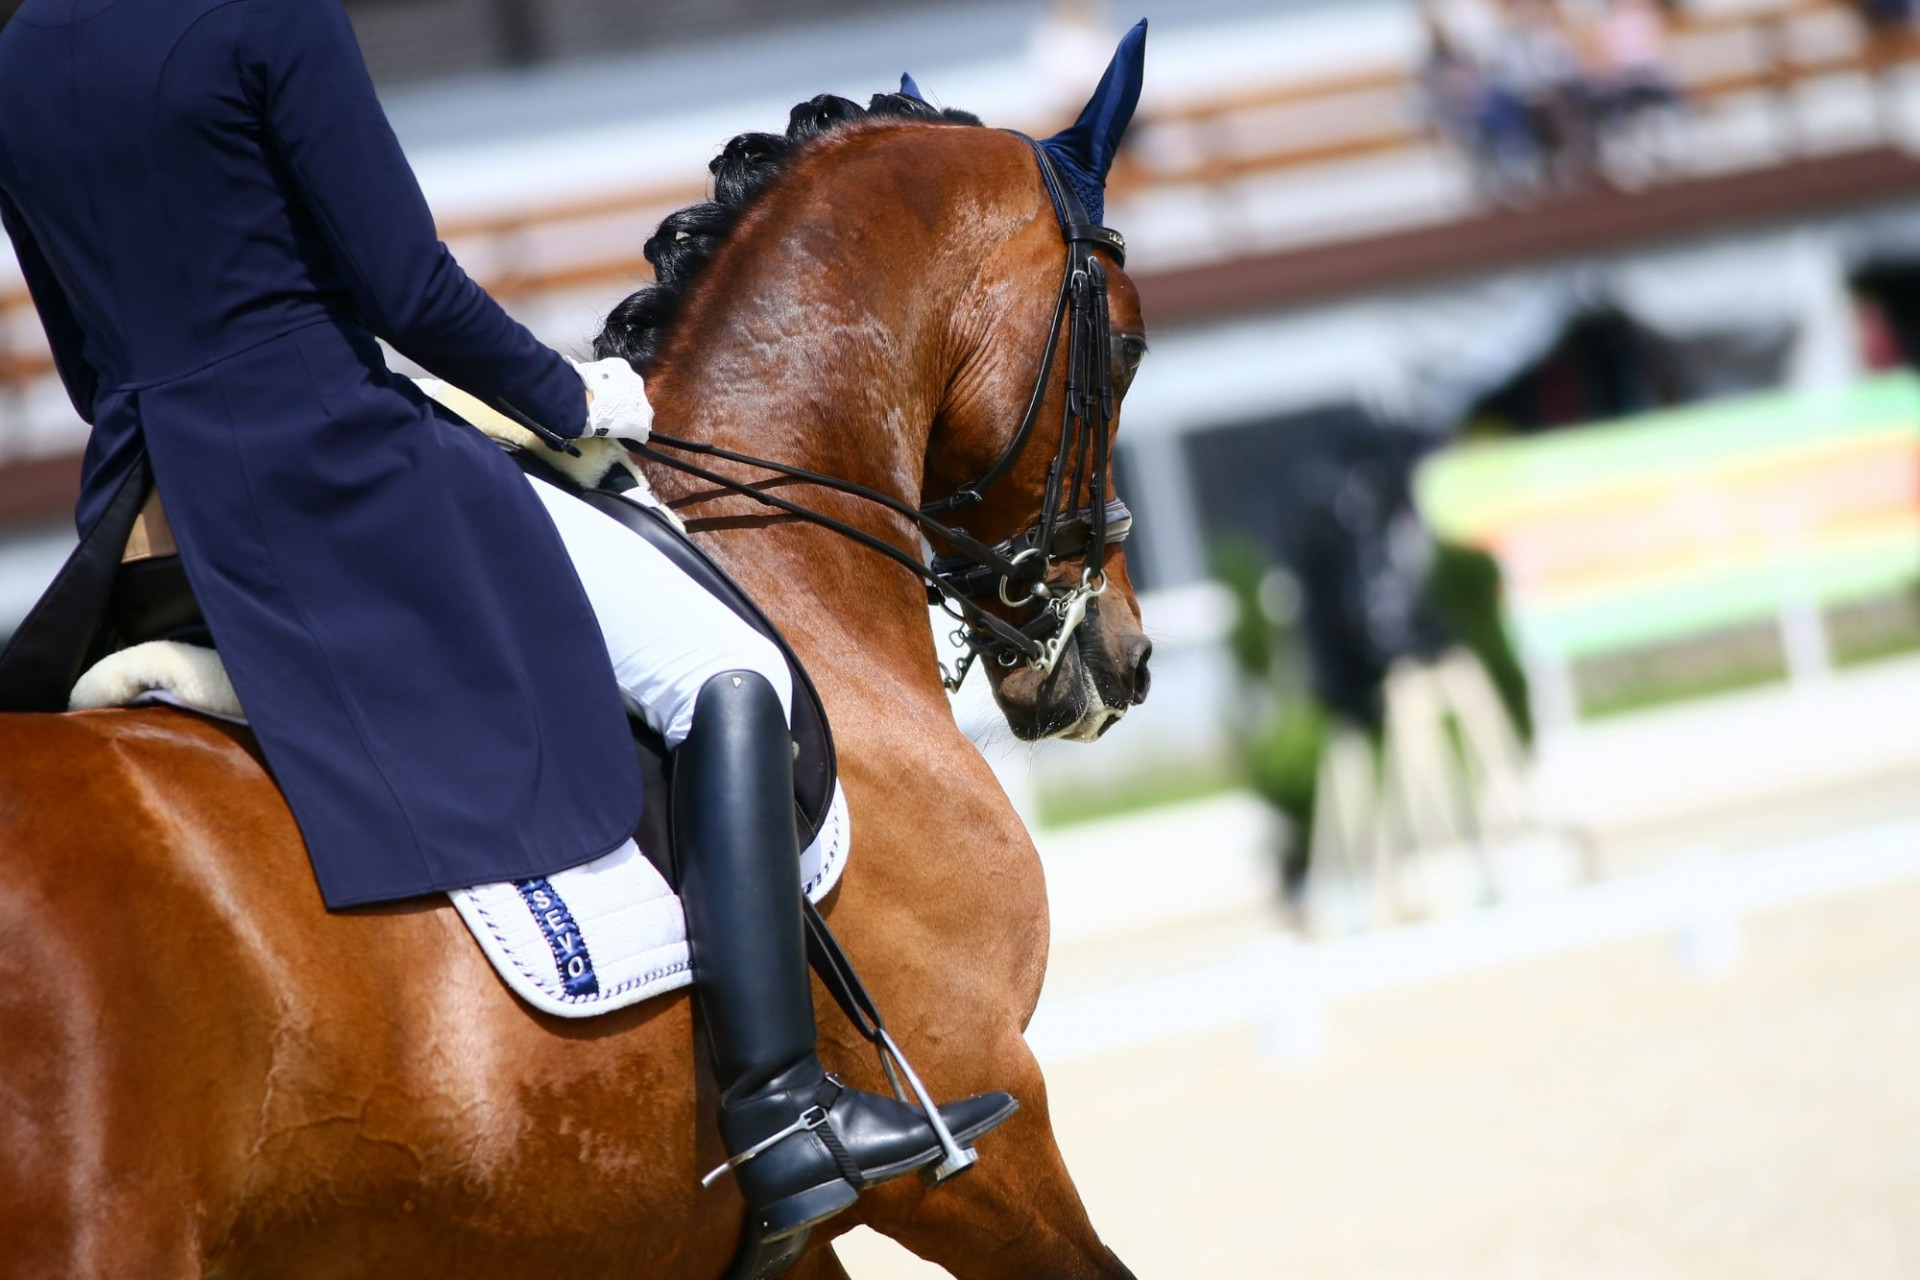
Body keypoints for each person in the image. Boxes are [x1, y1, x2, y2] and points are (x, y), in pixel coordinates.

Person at [0, 0, 1009, 1243]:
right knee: (725, 667)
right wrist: (570, 394)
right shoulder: (266, 15)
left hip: (150, 516)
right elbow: (404, 287)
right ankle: (783, 1107)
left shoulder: (24, 49)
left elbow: (88, 358)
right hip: (333, 476)